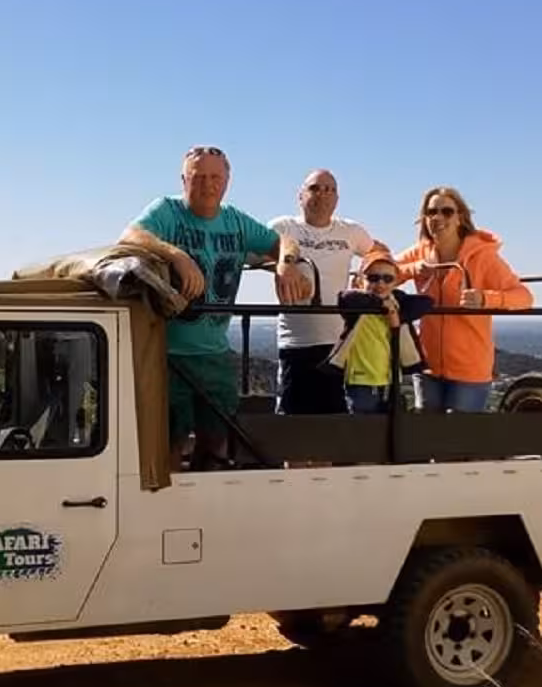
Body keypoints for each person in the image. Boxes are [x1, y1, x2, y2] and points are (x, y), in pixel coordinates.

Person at [121, 146, 312, 467]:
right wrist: (177, 255)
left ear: (227, 181)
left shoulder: (235, 221)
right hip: (167, 353)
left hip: (214, 353)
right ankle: (164, 512)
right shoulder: (168, 212)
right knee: (167, 443)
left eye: (215, 177)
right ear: (184, 180)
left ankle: (202, 510)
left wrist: (286, 263)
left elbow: (284, 241)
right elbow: (130, 236)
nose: (208, 184)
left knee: (217, 442)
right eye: (199, 177)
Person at [394, 187, 532, 412]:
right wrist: (413, 269)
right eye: (431, 212)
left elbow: (524, 297)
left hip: (469, 371)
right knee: (426, 440)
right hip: (427, 368)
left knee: (459, 443)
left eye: (447, 211)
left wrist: (485, 299)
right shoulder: (420, 252)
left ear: (460, 217)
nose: (438, 217)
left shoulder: (483, 257)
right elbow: (380, 273)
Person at [267, 169, 390, 414]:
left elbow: (381, 253)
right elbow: (252, 255)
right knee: (292, 421)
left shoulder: (350, 231)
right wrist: (282, 268)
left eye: (329, 189)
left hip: (338, 345)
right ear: (300, 196)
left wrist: (366, 280)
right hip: (296, 343)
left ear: (337, 199)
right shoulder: (283, 227)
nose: (322, 194)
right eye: (314, 188)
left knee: (335, 423)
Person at [326, 252, 434, 414]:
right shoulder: (357, 306)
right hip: (361, 381)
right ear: (361, 280)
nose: (381, 283)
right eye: (373, 278)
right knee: (363, 430)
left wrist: (396, 314)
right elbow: (346, 298)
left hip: (390, 381)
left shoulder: (397, 304)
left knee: (388, 432)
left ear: (396, 282)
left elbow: (426, 302)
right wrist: (384, 306)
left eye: (388, 279)